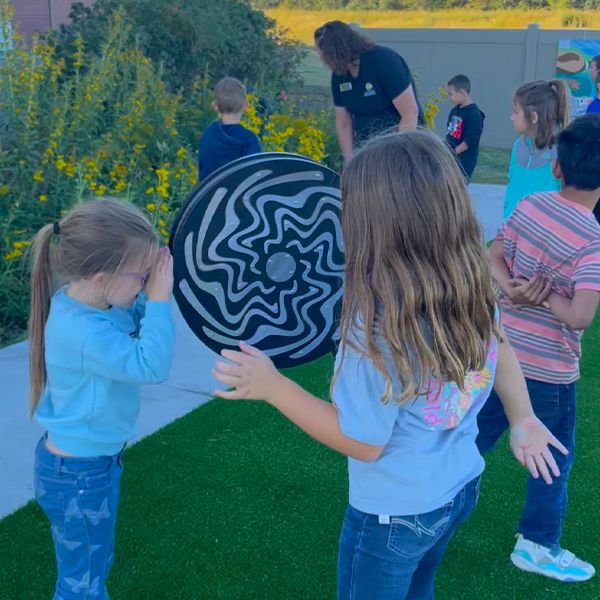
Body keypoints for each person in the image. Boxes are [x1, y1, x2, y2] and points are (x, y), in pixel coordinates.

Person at [212, 130, 565, 600]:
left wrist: (274, 388)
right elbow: (500, 347)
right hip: (458, 491)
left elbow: (364, 443)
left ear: (368, 225)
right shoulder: (471, 282)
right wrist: (522, 418)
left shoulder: (374, 332)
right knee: (420, 589)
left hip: (393, 517)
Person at [30, 198, 175, 600]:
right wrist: (160, 299)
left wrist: (150, 288)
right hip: (80, 476)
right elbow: (150, 365)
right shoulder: (85, 333)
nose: (148, 282)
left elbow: (132, 313)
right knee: (82, 585)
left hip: (82, 467)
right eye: (142, 275)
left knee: (91, 567)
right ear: (100, 276)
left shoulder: (90, 303)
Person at [478, 114, 600, 583]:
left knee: (469, 437)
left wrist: (514, 289)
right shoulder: (592, 240)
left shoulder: (529, 205)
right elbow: (580, 316)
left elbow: (491, 258)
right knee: (551, 457)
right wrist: (543, 293)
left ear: (557, 167)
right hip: (549, 374)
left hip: (499, 356)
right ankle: (537, 545)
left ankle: (426, 500)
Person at [314, 21, 424, 162]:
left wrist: (395, 157)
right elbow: (343, 123)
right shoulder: (339, 76)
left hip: (403, 147)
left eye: (322, 53)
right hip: (367, 150)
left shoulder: (383, 61)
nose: (321, 58)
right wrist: (350, 162)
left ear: (334, 51)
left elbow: (410, 113)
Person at [503, 79, 569, 220]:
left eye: (515, 112)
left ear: (533, 117)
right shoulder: (517, 146)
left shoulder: (558, 155)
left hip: (540, 239)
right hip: (510, 234)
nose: (511, 117)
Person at [197, 77, 261, 181]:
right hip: (236, 196)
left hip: (209, 196)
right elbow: (255, 175)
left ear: (214, 105)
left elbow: (201, 170)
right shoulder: (249, 139)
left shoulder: (207, 134)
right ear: (245, 105)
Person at [445, 74, 485, 182]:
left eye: (450, 94)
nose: (448, 98)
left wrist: (454, 152)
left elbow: (471, 139)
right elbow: (450, 132)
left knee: (458, 185)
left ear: (462, 92)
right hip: (451, 157)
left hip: (464, 161)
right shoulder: (455, 111)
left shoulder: (474, 115)